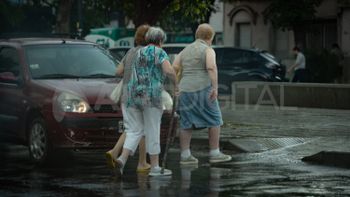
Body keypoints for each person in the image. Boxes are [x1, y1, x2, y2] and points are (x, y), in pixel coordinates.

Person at [115, 27, 176, 177]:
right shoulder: (159, 52)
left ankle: (122, 159)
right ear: (160, 40)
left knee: (134, 130)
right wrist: (177, 85)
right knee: (152, 129)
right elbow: (168, 70)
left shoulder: (137, 52)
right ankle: (155, 167)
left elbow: (123, 70)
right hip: (151, 96)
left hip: (131, 96)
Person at [172, 23, 232, 165]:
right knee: (215, 119)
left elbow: (174, 66)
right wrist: (215, 88)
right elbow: (211, 67)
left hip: (184, 90)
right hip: (203, 88)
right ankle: (214, 153)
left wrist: (176, 86)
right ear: (210, 37)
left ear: (196, 35)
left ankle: (185, 156)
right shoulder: (208, 50)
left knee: (186, 123)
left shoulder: (184, 50)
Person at [106, 24, 151, 173]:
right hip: (141, 95)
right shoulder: (149, 53)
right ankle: (139, 162)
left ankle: (117, 154)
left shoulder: (130, 52)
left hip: (126, 96)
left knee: (132, 128)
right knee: (140, 130)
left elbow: (117, 71)